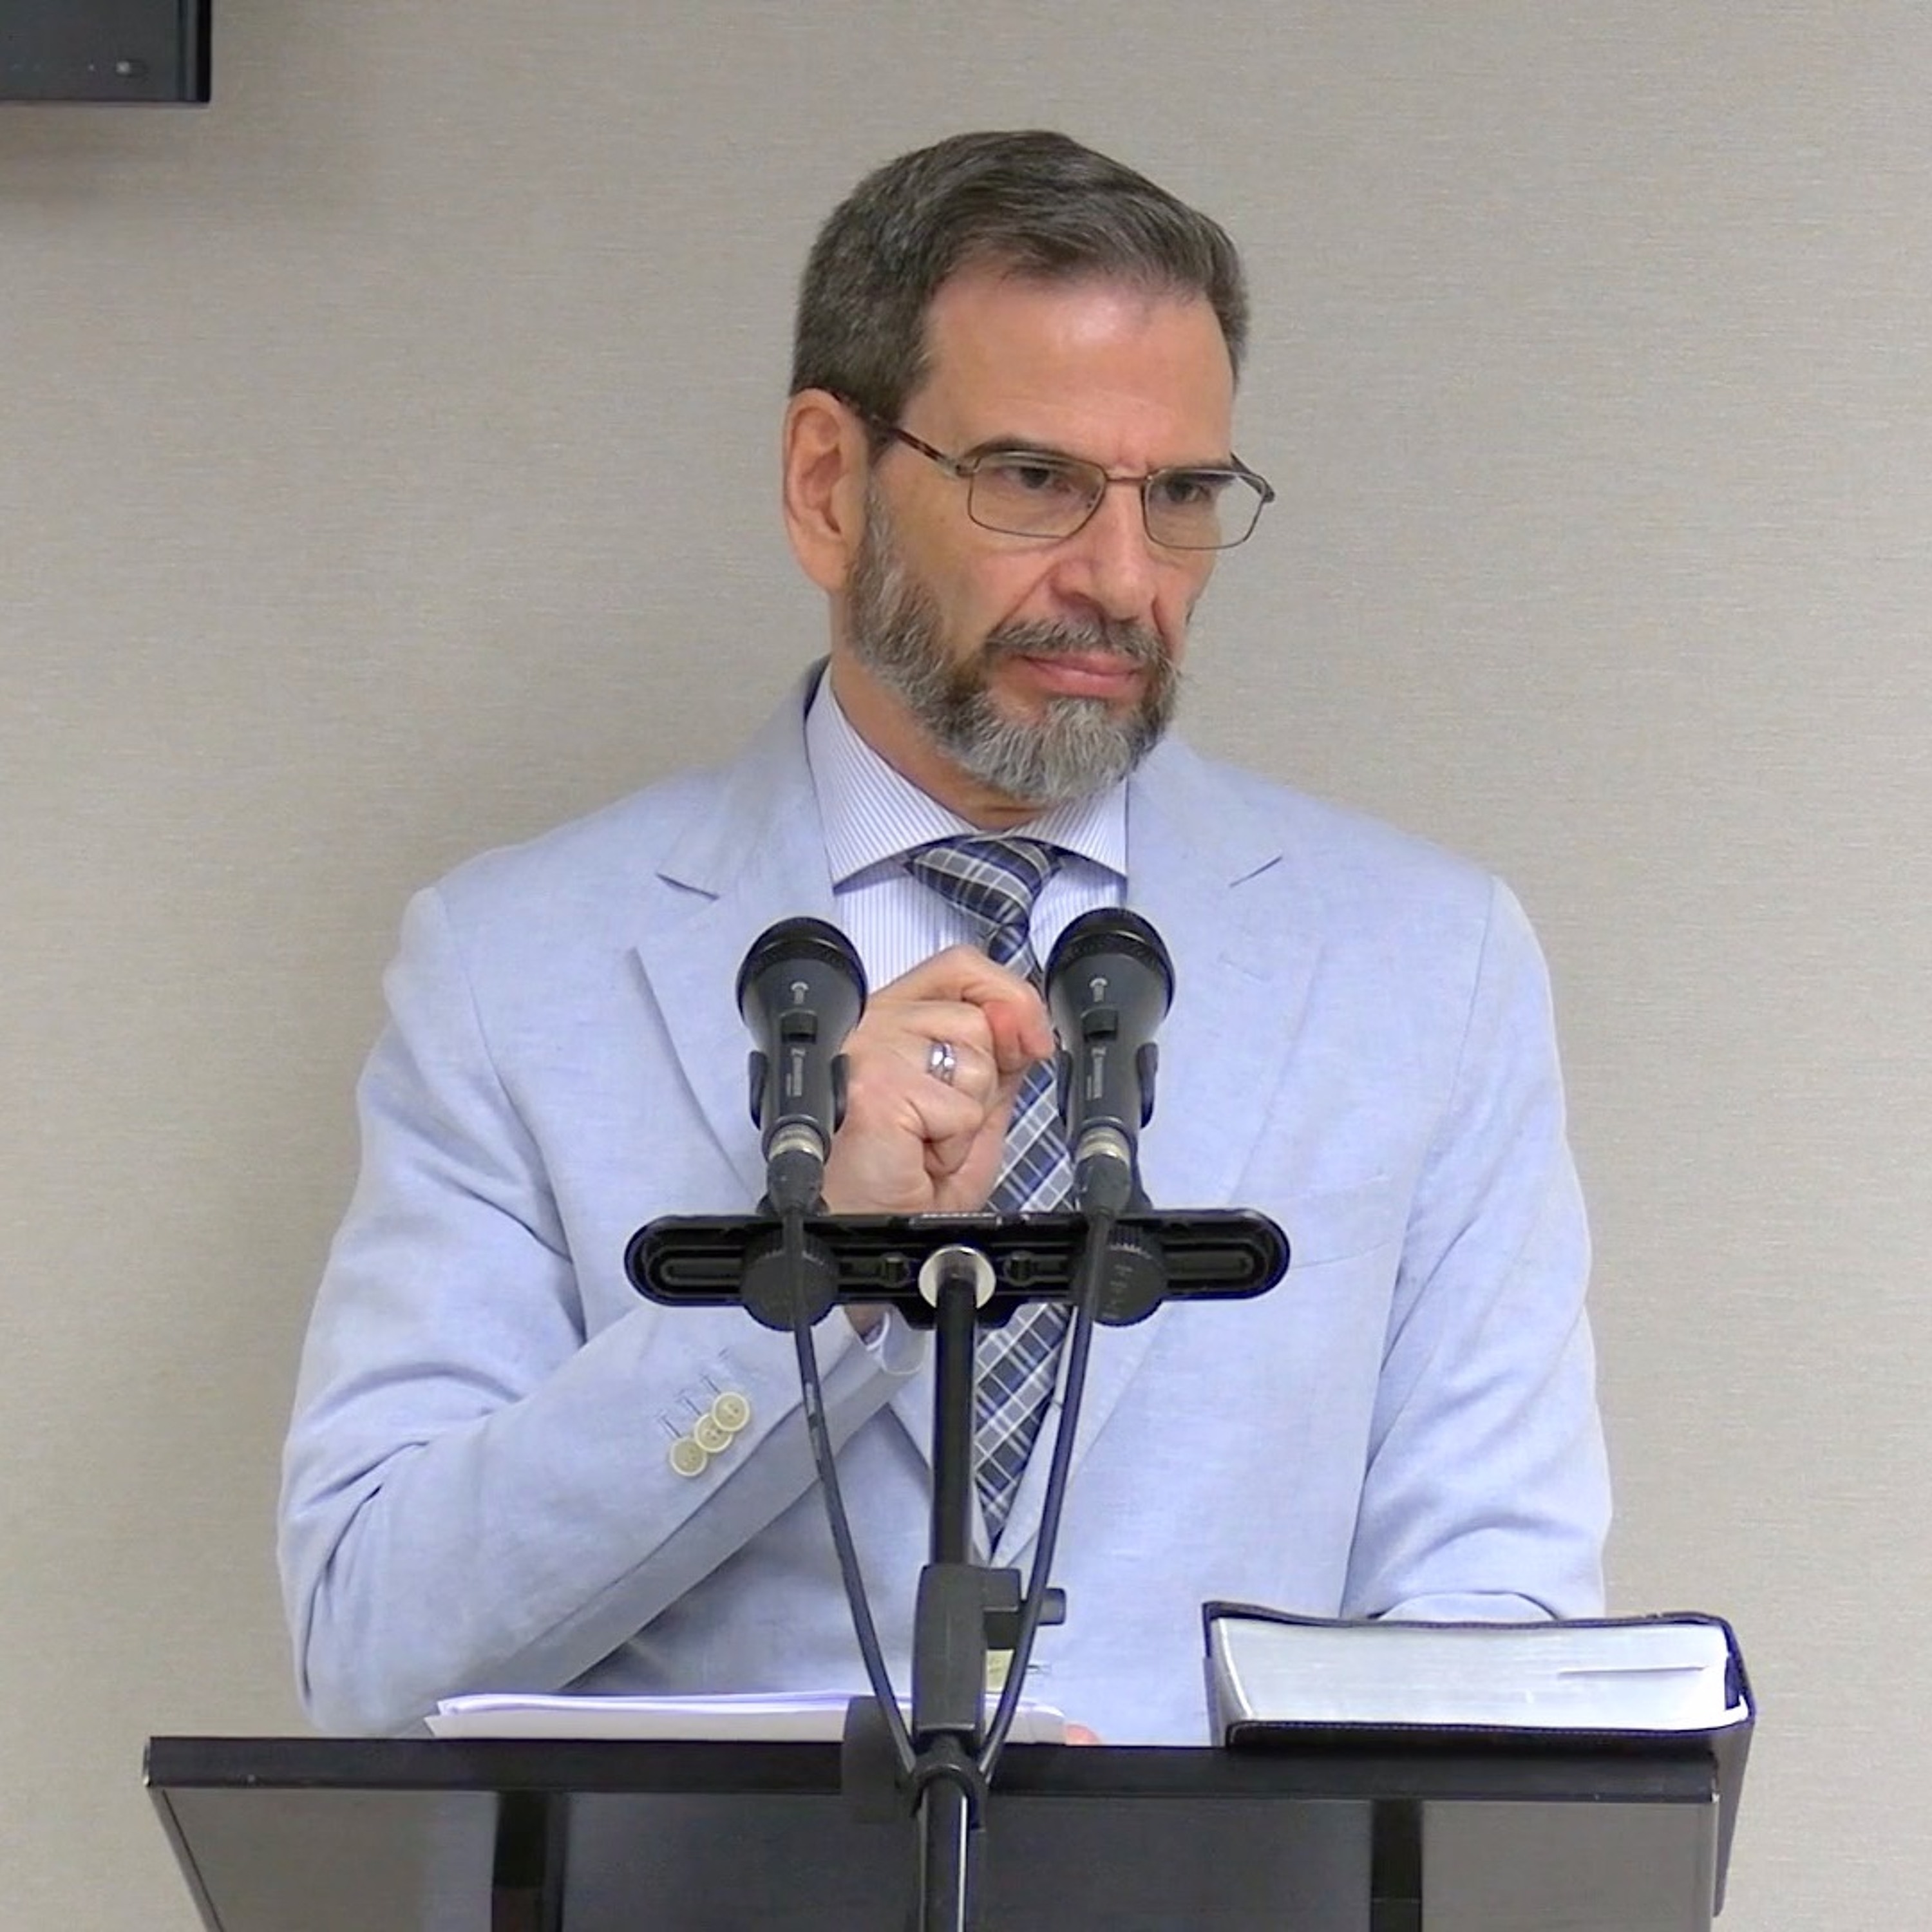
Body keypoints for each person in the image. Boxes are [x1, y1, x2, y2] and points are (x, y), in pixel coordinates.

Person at [278, 130, 1609, 1747]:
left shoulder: (1429, 969)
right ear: (828, 486)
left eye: (1183, 496)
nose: (1122, 578)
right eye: (1034, 481)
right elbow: (373, 1643)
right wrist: (818, 1287)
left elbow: (1494, 1628)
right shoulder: (514, 970)